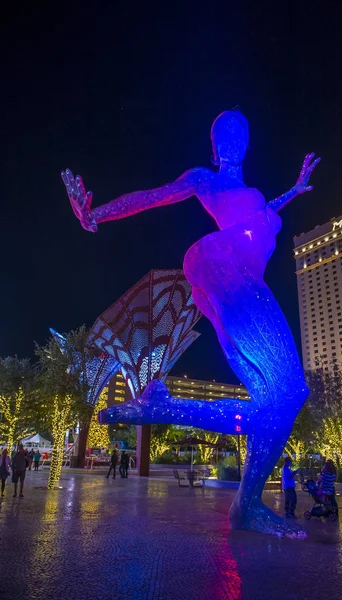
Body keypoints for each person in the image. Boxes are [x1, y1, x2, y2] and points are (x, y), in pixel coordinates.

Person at [62, 111, 320, 534]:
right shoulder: (205, 179)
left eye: (240, 133)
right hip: (228, 273)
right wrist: (97, 215)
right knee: (289, 392)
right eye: (224, 135)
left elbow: (259, 211)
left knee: (278, 402)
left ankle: (241, 498)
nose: (233, 140)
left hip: (238, 284)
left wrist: (292, 190)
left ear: (248, 143)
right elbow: (153, 195)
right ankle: (176, 418)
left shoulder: (252, 195)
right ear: (215, 147)